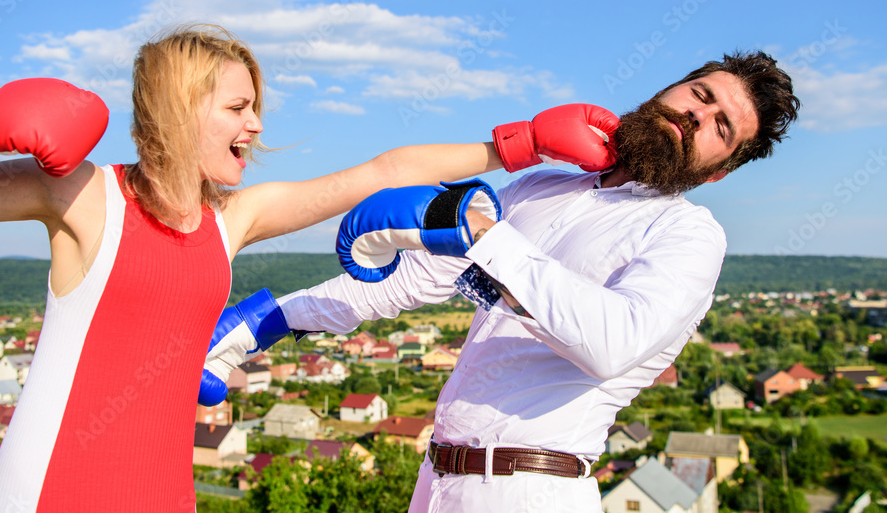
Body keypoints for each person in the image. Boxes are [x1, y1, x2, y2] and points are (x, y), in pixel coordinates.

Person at [0, 24, 617, 512]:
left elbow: (384, 169)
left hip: (167, 492)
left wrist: (519, 144)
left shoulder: (229, 222)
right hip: (49, 488)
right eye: (238, 106)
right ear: (182, 108)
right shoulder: (81, 195)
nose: (256, 124)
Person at [201, 51, 800, 512]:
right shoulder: (545, 188)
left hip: (532, 487)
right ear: (670, 90)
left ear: (718, 172)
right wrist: (263, 324)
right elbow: (409, 280)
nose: (697, 115)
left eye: (720, 127)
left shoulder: (688, 232)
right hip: (437, 482)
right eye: (700, 95)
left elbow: (612, 343)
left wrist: (484, 234)